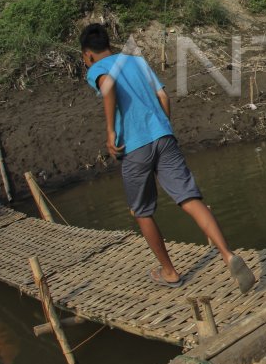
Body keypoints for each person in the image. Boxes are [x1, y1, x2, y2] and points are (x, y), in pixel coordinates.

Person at [80, 23, 256, 293]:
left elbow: (109, 86)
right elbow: (163, 95)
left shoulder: (97, 69)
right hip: (163, 136)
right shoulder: (135, 60)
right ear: (109, 45)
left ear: (87, 55)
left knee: (142, 212)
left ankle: (170, 272)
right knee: (190, 199)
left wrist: (111, 131)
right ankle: (227, 255)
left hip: (134, 146)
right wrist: (163, 126)